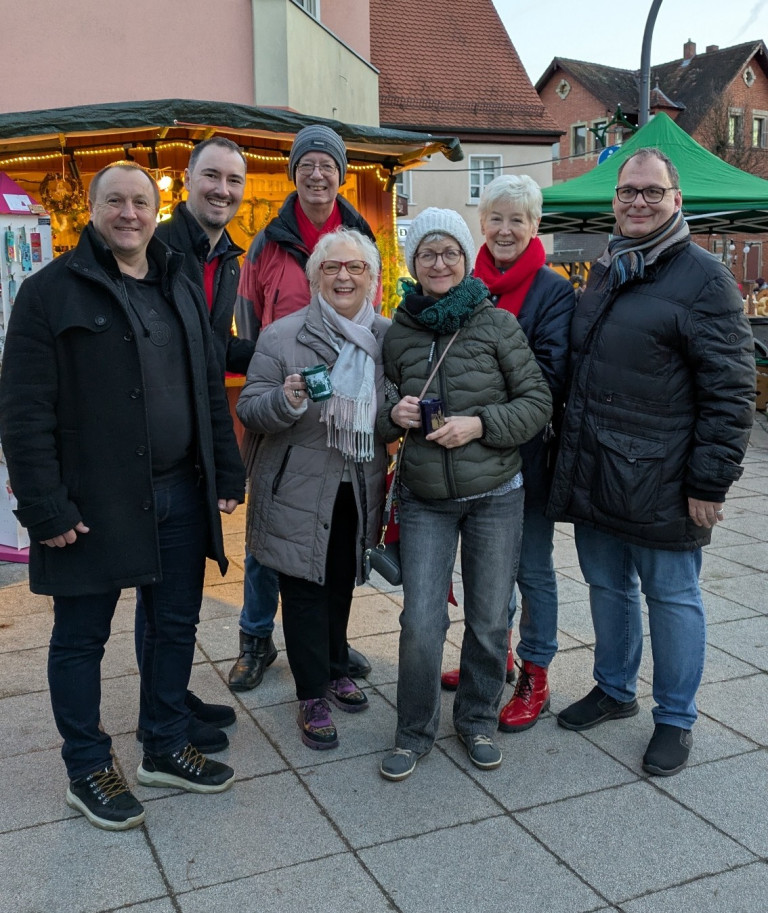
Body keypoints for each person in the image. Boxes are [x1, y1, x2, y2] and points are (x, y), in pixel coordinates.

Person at [0, 162, 245, 831]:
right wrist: (44, 507)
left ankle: (165, 742)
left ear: (156, 205)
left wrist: (226, 470)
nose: (130, 212)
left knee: (174, 626)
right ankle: (87, 766)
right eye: (116, 201)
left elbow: (204, 388)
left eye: (141, 200)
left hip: (180, 495)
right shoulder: (49, 292)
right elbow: (23, 413)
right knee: (81, 639)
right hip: (92, 505)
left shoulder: (177, 281)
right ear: (93, 207)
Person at [549, 148, 755, 777]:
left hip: (663, 478)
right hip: (597, 467)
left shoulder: (704, 278)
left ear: (676, 201)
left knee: (672, 596)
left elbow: (731, 390)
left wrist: (709, 481)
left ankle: (676, 717)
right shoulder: (608, 268)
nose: (638, 201)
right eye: (628, 191)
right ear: (615, 200)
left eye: (652, 192)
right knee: (608, 587)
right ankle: (614, 688)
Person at [377, 208, 552, 781]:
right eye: (428, 253)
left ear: (464, 256)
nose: (440, 262)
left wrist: (479, 424)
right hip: (426, 497)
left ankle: (475, 720)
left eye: (450, 251)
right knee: (421, 622)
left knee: (487, 620)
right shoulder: (398, 329)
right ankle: (414, 730)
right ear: (414, 264)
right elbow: (377, 412)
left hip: (496, 492)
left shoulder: (496, 323)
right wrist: (392, 414)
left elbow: (537, 403)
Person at [229, 124, 377, 691]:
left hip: (342, 421)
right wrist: (280, 369)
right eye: (308, 165)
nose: (318, 175)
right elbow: (247, 320)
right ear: (295, 173)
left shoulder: (359, 232)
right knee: (271, 538)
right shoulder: (268, 241)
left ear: (341, 175)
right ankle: (256, 638)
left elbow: (373, 313)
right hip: (288, 400)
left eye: (329, 166)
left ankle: (328, 647)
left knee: (335, 539)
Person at [236, 227, 388, 750]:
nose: (343, 276)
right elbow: (250, 407)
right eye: (332, 267)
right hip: (296, 484)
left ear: (372, 277)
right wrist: (287, 399)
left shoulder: (386, 337)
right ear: (315, 276)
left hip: (358, 483)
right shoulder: (282, 335)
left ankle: (335, 663)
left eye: (355, 268)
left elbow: (390, 413)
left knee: (342, 579)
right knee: (303, 588)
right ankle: (310, 694)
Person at [440, 175, 575, 734]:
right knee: (485, 569)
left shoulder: (552, 291)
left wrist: (477, 407)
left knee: (532, 568)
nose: (505, 229)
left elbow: (548, 375)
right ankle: (490, 660)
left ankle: (535, 672)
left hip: (528, 455)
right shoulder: (463, 284)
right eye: (496, 218)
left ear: (535, 225)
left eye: (517, 219)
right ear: (481, 223)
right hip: (473, 457)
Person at [133, 136, 255, 755]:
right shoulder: (159, 248)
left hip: (193, 441)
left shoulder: (226, 258)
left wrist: (274, 350)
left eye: (234, 181)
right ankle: (162, 713)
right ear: (188, 179)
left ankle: (168, 698)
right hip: (156, 442)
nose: (223, 190)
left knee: (172, 594)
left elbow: (210, 347)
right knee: (161, 595)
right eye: (212, 176)